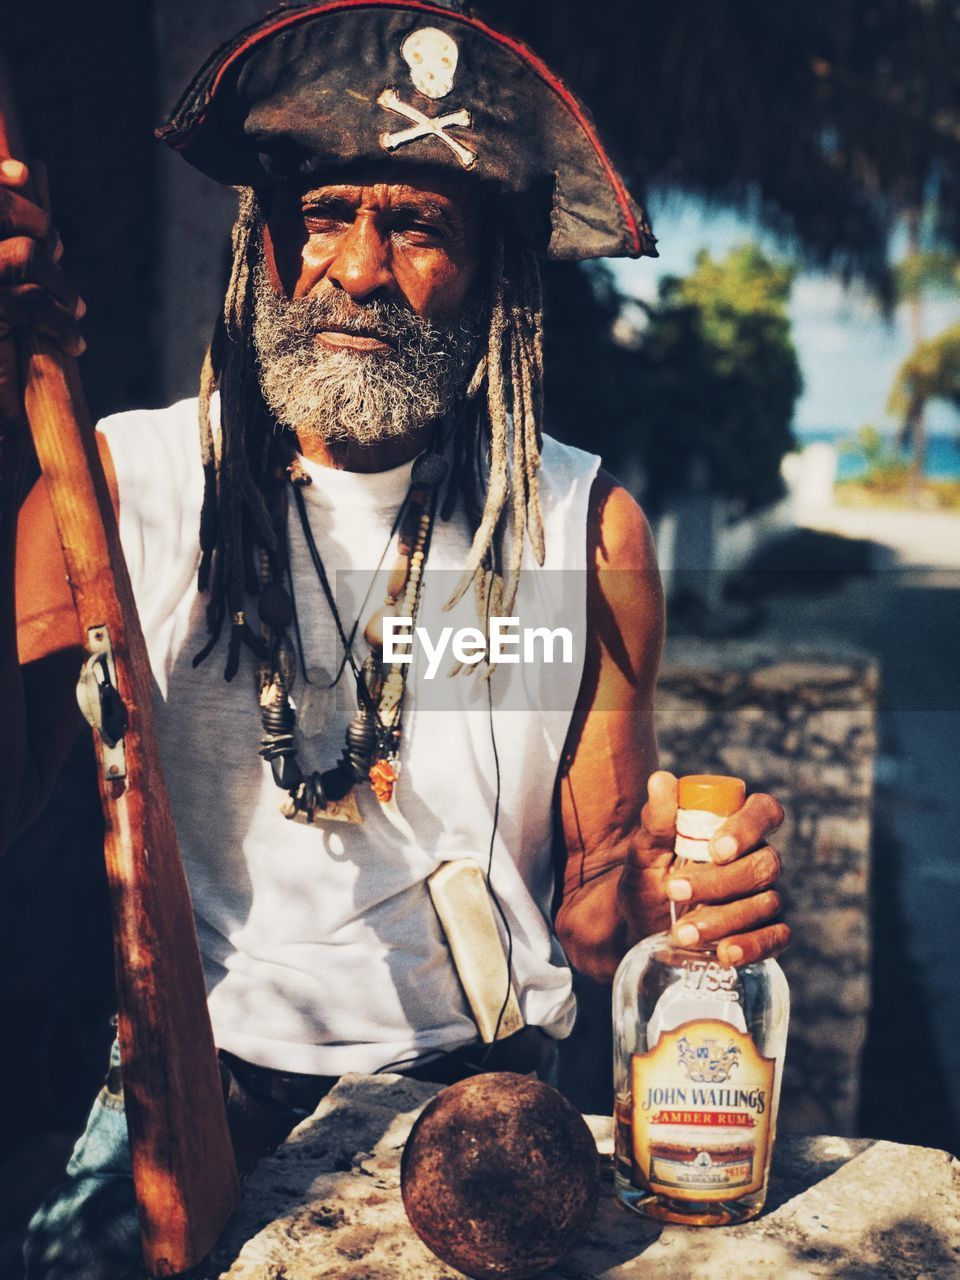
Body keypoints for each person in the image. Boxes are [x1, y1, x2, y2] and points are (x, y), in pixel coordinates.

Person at [0, 3, 789, 1275]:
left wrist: (658, 895)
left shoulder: (584, 531)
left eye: (420, 225)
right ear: (264, 241)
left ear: (494, 277)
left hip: (487, 1111)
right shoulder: (118, 490)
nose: (360, 270)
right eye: (326, 213)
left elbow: (594, 906)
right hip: (195, 1091)